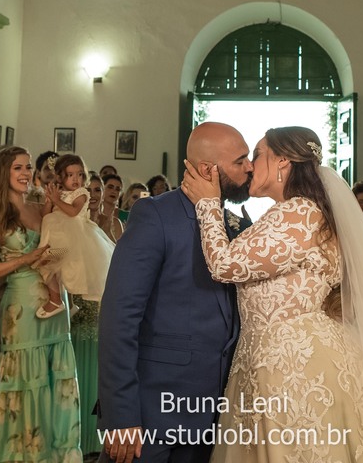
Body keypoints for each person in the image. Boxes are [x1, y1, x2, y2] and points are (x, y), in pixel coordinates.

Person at [183, 127, 363, 462]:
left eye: (258, 153)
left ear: (283, 162)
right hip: (274, 359)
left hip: (295, 366)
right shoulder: (295, 212)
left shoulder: (298, 213)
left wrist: (207, 203)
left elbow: (224, 264)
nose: (250, 165)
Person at [97, 122, 250, 463]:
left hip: (214, 415)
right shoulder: (156, 215)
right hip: (153, 412)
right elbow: (119, 318)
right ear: (208, 169)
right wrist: (121, 415)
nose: (250, 166)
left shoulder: (237, 223)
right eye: (241, 161)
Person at [0, 146, 81, 463]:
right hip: (21, 310)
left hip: (55, 307)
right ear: (4, 171)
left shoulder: (39, 209)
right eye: (17, 167)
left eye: (27, 167)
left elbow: (61, 248)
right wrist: (26, 259)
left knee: (54, 380)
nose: (24, 172)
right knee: (24, 381)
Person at [36, 154, 116, 317]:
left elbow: (73, 212)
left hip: (73, 240)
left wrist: (57, 200)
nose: (76, 179)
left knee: (65, 268)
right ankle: (58, 299)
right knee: (45, 263)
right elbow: (45, 215)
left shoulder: (81, 193)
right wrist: (49, 201)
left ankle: (60, 300)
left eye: (80, 174)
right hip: (56, 237)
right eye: (70, 175)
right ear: (60, 177)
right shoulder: (58, 193)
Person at [97, 173, 126, 241]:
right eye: (110, 187)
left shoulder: (117, 222)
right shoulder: (94, 216)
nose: (114, 191)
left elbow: (119, 249)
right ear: (102, 188)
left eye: (118, 189)